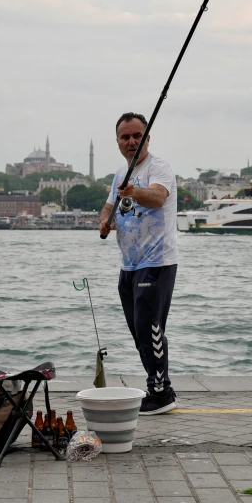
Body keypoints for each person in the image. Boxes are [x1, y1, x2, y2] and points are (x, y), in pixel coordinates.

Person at [99, 112, 178, 415]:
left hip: (157, 262)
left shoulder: (159, 168)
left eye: (137, 136)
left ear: (147, 138)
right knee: (138, 331)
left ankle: (162, 392)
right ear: (118, 142)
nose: (132, 141)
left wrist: (134, 192)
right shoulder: (120, 173)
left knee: (150, 326)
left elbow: (158, 198)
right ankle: (155, 386)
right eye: (125, 137)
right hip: (129, 264)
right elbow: (108, 207)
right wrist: (104, 222)